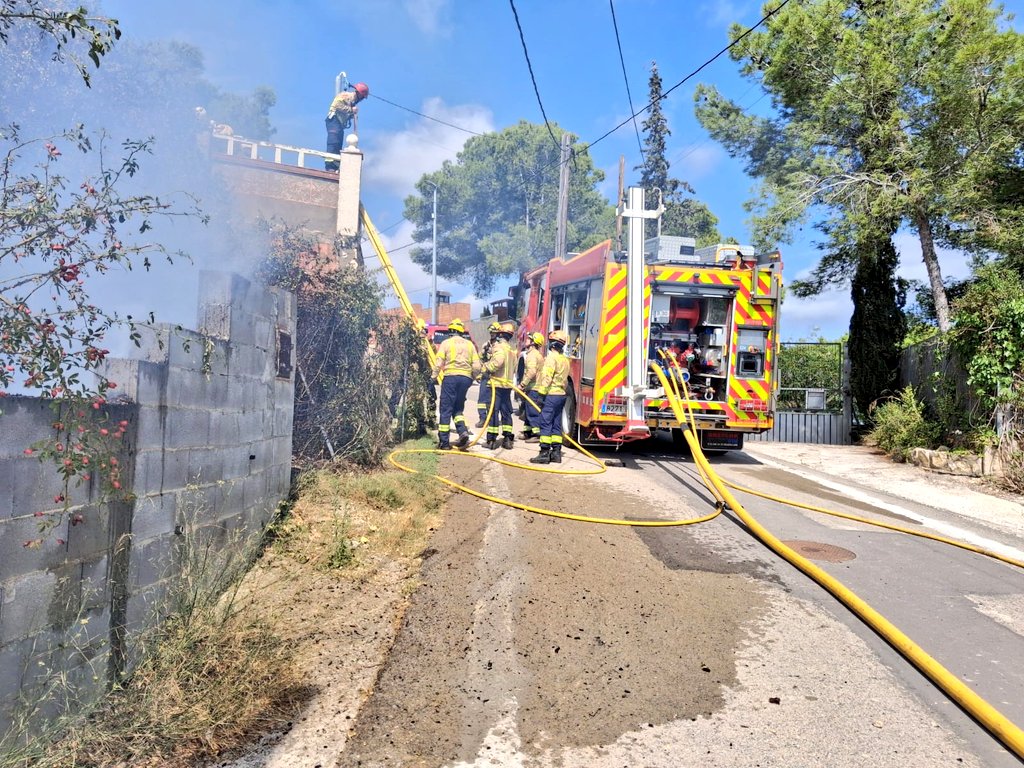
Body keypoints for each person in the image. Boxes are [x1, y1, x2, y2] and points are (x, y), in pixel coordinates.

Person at [431, 319, 480, 451]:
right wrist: (472, 378)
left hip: (451, 378)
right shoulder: (470, 345)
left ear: (450, 331)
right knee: (457, 409)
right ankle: (462, 431)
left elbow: (439, 361)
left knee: (446, 409)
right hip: (465, 379)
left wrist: (433, 376)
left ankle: (444, 443)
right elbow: (476, 366)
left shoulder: (446, 343)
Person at [529, 330, 571, 465]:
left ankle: (544, 453)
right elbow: (565, 381)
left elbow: (547, 377)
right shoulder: (565, 360)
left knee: (546, 422)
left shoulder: (551, 358)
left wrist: (541, 394)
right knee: (556, 424)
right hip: (561, 395)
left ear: (552, 344)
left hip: (551, 395)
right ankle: (556, 453)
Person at [481, 321, 516, 450]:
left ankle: (491, 440)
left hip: (496, 385)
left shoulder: (499, 347)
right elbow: (515, 367)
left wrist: (486, 369)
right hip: (507, 386)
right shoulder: (512, 350)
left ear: (500, 334)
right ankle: (507, 439)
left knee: (493, 412)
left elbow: (498, 362)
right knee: (506, 413)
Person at [325, 81, 369, 171]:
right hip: (334, 120)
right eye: (362, 97)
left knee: (338, 144)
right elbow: (337, 105)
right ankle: (329, 165)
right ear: (359, 94)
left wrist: (352, 114)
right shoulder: (346, 96)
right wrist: (350, 110)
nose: (362, 99)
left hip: (340, 124)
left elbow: (346, 112)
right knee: (333, 142)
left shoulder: (352, 102)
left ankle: (335, 166)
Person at [519, 332, 545, 443]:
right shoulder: (537, 354)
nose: (526, 340)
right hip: (534, 388)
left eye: (528, 339)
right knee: (528, 410)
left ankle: (537, 434)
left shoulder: (532, 355)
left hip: (534, 388)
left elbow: (532, 371)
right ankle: (527, 432)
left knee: (532, 411)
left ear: (533, 342)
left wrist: (522, 384)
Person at [475, 321, 502, 428]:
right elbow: (480, 359)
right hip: (486, 375)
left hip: (496, 377)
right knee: (482, 398)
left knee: (492, 400)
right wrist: (478, 373)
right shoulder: (486, 345)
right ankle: (482, 418)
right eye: (491, 332)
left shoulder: (499, 346)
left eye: (494, 332)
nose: (492, 334)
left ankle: (492, 418)